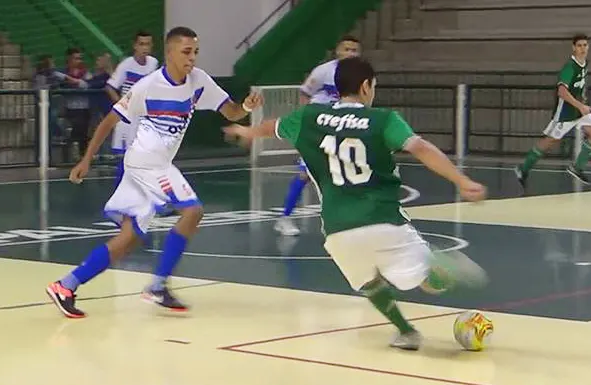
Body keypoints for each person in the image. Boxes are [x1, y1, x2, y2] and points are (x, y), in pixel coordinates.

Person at [223, 57, 487, 350]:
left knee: (368, 283)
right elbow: (421, 148)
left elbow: (273, 126)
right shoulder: (383, 120)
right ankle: (436, 265)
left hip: (338, 230)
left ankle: (407, 332)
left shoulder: (310, 117)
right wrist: (461, 181)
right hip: (383, 219)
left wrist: (247, 131)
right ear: (365, 87)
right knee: (429, 282)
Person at [46, 26, 263, 319]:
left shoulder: (199, 82)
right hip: (146, 162)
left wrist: (246, 106)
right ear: (170, 52)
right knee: (193, 210)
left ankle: (66, 286)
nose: (192, 58)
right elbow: (110, 120)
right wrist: (86, 159)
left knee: (129, 239)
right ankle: (158, 286)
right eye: (186, 52)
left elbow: (231, 112)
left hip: (153, 165)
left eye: (196, 52)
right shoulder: (148, 86)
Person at [275, 35, 362, 236]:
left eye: (354, 50)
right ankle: (285, 218)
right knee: (305, 174)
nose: (350, 53)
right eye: (346, 49)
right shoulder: (324, 71)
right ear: (338, 51)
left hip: (343, 128)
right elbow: (306, 93)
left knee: (347, 171)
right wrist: (309, 122)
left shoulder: (361, 74)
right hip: (319, 128)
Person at [515, 34, 591, 187]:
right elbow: (562, 91)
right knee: (549, 142)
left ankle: (577, 167)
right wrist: (580, 106)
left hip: (579, 110)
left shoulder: (585, 64)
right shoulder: (569, 67)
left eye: (585, 45)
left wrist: (582, 102)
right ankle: (523, 168)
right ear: (573, 48)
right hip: (566, 113)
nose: (583, 48)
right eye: (579, 46)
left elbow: (579, 86)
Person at [106, 30, 160, 188]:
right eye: (141, 44)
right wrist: (123, 107)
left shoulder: (153, 63)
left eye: (148, 44)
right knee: (125, 160)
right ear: (135, 45)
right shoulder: (126, 65)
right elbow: (110, 87)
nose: (145, 47)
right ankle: (121, 198)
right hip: (127, 120)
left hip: (145, 118)